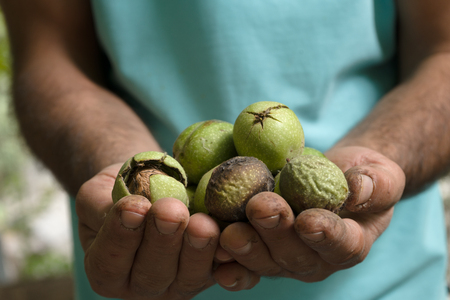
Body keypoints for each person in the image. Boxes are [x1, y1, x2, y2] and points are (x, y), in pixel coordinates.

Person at [1, 0, 449, 299]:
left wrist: (378, 158)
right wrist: (110, 156)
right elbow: (49, 56)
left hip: (389, 283)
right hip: (137, 272)